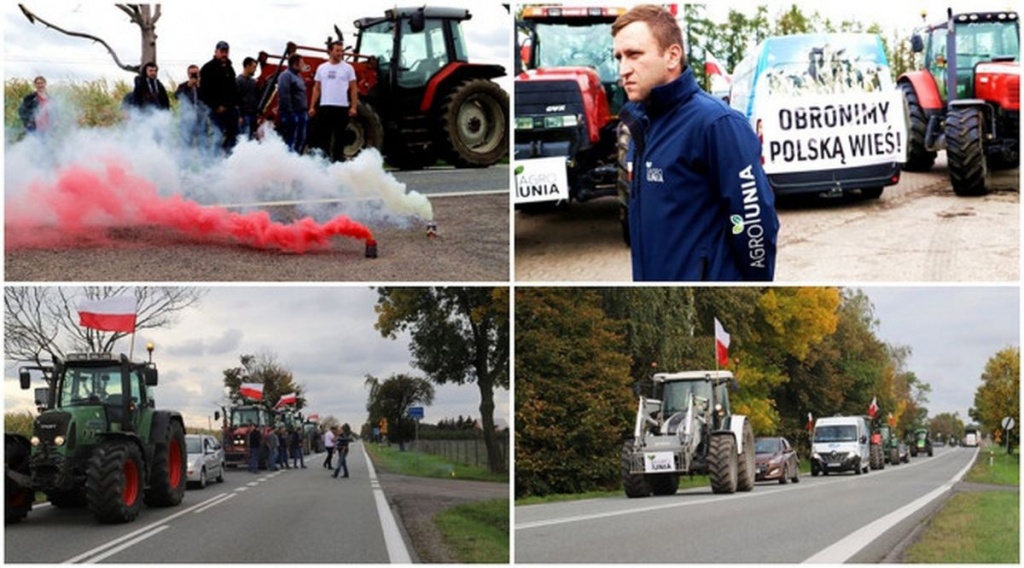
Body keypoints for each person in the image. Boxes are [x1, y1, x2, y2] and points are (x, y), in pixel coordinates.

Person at [612, 5, 779, 281]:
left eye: (634, 55)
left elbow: (754, 223)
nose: (623, 70)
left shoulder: (717, 124)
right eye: (618, 57)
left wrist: (748, 289)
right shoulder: (642, 126)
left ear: (672, 56)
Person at [309, 41, 358, 161]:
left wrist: (354, 107)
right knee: (323, 135)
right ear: (330, 51)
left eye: (342, 51)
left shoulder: (348, 68)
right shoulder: (322, 68)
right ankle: (324, 161)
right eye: (337, 50)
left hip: (341, 106)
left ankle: (338, 161)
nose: (340, 53)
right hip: (325, 106)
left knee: (340, 135)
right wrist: (312, 106)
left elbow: (353, 88)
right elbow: (316, 88)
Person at [200, 40, 239, 151]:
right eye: (222, 51)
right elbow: (204, 92)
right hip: (215, 110)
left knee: (234, 136)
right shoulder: (208, 68)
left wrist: (231, 105)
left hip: (230, 109)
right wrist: (216, 106)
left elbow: (234, 90)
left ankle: (230, 160)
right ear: (216, 51)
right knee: (217, 136)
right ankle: (214, 163)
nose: (224, 54)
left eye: (226, 51)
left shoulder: (230, 69)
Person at [277, 53, 308, 153]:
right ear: (295, 64)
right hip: (292, 114)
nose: (303, 65)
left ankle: (296, 162)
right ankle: (288, 163)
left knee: (301, 139)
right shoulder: (285, 76)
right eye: (302, 62)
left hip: (302, 112)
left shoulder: (299, 76)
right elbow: (284, 95)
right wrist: (290, 113)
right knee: (291, 140)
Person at [175, 64, 206, 149]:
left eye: (195, 73)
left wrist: (199, 86)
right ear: (188, 74)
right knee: (186, 144)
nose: (194, 76)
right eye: (191, 74)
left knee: (202, 143)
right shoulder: (183, 86)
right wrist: (188, 86)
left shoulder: (203, 86)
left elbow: (208, 99)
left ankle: (204, 161)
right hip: (187, 120)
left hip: (200, 119)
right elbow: (177, 96)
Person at [237, 56, 260, 140]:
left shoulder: (253, 82)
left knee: (252, 140)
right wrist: (239, 116)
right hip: (244, 116)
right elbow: (236, 100)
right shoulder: (239, 81)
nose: (255, 70)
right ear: (247, 66)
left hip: (254, 115)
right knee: (244, 140)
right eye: (254, 67)